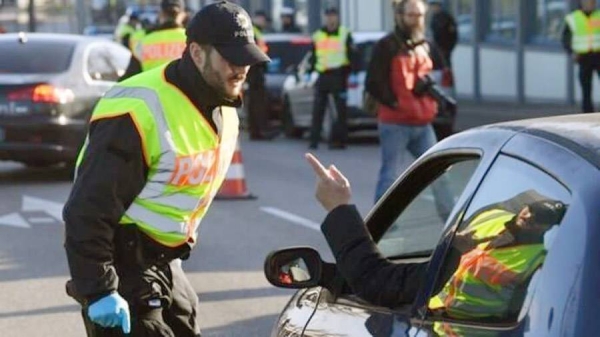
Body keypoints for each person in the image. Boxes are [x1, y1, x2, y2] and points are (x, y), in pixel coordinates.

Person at [62, 2, 270, 336]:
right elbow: (87, 208)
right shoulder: (136, 111)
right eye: (231, 57)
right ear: (197, 53)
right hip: (122, 259)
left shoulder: (223, 104)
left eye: (247, 58)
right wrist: (99, 289)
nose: (242, 68)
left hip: (165, 260)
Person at [305, 152, 567, 318]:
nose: (528, 216)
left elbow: (379, 283)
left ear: (547, 229)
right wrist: (456, 249)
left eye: (538, 219)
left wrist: (339, 207)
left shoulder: (541, 261)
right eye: (530, 209)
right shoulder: (492, 217)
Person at [366, 0, 439, 202]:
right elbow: (372, 82)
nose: (416, 20)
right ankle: (378, 227)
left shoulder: (424, 44)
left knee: (441, 175)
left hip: (422, 122)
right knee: (391, 176)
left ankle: (455, 224)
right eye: (411, 15)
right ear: (400, 16)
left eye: (420, 15)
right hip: (395, 123)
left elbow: (434, 74)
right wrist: (396, 103)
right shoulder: (386, 45)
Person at [307, 6, 356, 150]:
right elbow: (313, 56)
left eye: (333, 15)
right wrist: (311, 70)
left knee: (340, 111)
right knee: (318, 110)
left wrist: (348, 72)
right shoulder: (318, 35)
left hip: (338, 76)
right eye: (328, 16)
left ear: (337, 17)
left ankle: (339, 141)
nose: (330, 18)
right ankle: (314, 141)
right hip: (323, 75)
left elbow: (352, 56)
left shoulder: (345, 34)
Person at [119, 0, 187, 81]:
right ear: (183, 15)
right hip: (182, 93)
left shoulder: (144, 42)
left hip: (151, 91)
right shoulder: (190, 40)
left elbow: (130, 77)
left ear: (160, 14)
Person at [246, 10, 279, 140]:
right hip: (255, 70)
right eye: (263, 19)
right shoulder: (253, 31)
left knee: (255, 102)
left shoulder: (256, 31)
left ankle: (256, 131)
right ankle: (260, 131)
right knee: (258, 103)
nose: (264, 22)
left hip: (255, 70)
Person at [562, 0, 600, 113]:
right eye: (588, 2)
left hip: (599, 55)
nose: (591, 4)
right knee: (586, 88)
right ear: (582, 3)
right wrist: (571, 53)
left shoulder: (598, 16)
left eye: (592, 2)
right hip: (583, 57)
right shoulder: (573, 18)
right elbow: (566, 39)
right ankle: (588, 113)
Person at [427, 0, 458, 67]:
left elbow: (454, 34)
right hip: (436, 49)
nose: (433, 8)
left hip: (445, 49)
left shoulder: (447, 18)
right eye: (432, 6)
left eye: (435, 6)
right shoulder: (434, 17)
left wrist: (448, 48)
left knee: (445, 68)